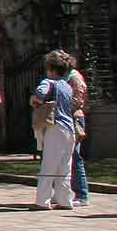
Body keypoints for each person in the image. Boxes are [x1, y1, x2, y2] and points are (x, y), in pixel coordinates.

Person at [28, 52, 76, 212]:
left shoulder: (48, 82)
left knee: (48, 164)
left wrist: (33, 101)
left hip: (55, 126)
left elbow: (39, 96)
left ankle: (42, 200)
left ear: (51, 68)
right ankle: (65, 199)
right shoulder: (68, 86)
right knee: (65, 165)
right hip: (70, 128)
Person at [65, 54, 91, 206]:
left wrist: (62, 109)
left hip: (74, 118)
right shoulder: (66, 77)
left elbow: (78, 99)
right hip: (67, 117)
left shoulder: (74, 77)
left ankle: (81, 194)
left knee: (75, 156)